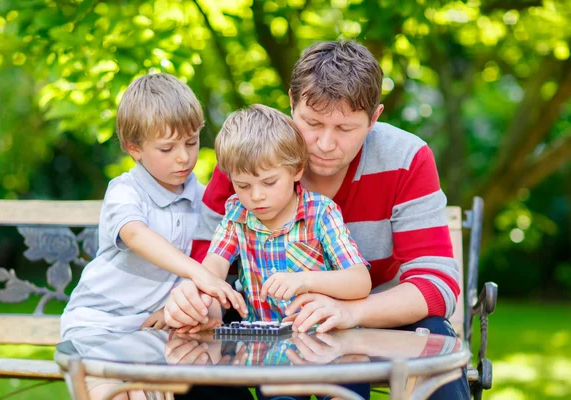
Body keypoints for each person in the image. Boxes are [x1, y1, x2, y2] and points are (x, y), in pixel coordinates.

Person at [165, 40, 470, 400]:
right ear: (291, 104)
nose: (325, 143)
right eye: (312, 123)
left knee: (435, 348)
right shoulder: (250, 160)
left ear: (374, 118)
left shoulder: (407, 158)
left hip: (380, 317)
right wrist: (200, 304)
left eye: (345, 129)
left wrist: (349, 311)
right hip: (267, 319)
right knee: (192, 354)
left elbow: (437, 284)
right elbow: (210, 265)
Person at [60, 73, 246, 400]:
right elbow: (135, 234)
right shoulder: (125, 191)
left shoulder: (200, 200)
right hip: (98, 327)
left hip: (152, 331)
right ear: (135, 149)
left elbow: (204, 256)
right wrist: (198, 272)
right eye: (167, 148)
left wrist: (172, 308)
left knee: (161, 390)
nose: (183, 157)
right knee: (110, 393)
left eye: (191, 142)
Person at [193, 104, 371, 325]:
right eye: (243, 185)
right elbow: (215, 263)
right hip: (260, 347)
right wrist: (204, 289)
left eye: (269, 182)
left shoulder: (321, 213)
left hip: (323, 343)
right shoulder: (237, 214)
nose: (256, 196)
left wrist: (304, 280)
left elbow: (360, 280)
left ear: (297, 170)